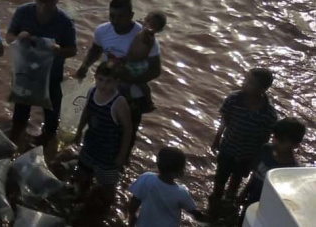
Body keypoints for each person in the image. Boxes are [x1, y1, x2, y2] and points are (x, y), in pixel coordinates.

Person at [76, 0, 161, 149]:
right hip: (106, 90)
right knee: (98, 126)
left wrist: (129, 78)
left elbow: (155, 70)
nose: (115, 21)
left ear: (131, 16)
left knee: (127, 132)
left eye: (121, 17)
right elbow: (96, 49)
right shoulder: (102, 30)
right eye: (112, 16)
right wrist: (84, 66)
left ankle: (120, 163)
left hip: (132, 96)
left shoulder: (144, 37)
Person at [7, 0, 77, 144]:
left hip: (51, 76)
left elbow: (73, 50)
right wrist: (18, 38)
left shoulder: (65, 21)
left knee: (52, 120)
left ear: (56, 0)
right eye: (39, 0)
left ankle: (46, 146)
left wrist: (59, 50)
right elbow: (9, 36)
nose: (42, 5)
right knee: (19, 117)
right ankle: (16, 145)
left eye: (47, 1)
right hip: (25, 74)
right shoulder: (23, 12)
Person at [209, 68, 278, 205]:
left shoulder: (268, 114)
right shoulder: (233, 99)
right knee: (220, 177)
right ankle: (215, 200)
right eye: (246, 80)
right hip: (227, 147)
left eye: (250, 82)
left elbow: (265, 137)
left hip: (247, 154)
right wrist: (217, 138)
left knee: (237, 179)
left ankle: (230, 199)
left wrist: (257, 157)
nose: (244, 83)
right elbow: (224, 120)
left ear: (263, 89)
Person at [74, 62, 132, 200]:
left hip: (108, 154)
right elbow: (87, 111)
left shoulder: (119, 102)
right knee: (83, 175)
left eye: (108, 81)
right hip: (90, 144)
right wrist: (79, 131)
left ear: (116, 82)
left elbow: (128, 130)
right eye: (100, 80)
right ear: (95, 78)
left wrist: (122, 155)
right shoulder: (92, 92)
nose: (103, 85)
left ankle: (105, 206)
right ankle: (81, 198)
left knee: (107, 185)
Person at [239, 118, 306, 217]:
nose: (275, 142)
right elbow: (255, 174)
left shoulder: (292, 170)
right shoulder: (266, 149)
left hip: (268, 208)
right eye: (274, 137)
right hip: (252, 199)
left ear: (296, 145)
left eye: (282, 141)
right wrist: (244, 192)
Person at [128, 147, 205, 227]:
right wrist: (208, 219)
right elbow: (193, 211)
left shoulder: (146, 178)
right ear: (180, 171)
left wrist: (131, 217)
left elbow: (134, 202)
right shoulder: (181, 192)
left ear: (158, 164)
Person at [124, 11, 167, 112]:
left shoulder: (148, 36)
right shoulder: (142, 31)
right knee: (142, 84)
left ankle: (137, 102)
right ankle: (148, 102)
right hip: (140, 63)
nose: (148, 25)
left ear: (158, 29)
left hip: (137, 65)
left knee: (127, 81)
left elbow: (142, 49)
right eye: (147, 20)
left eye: (152, 25)